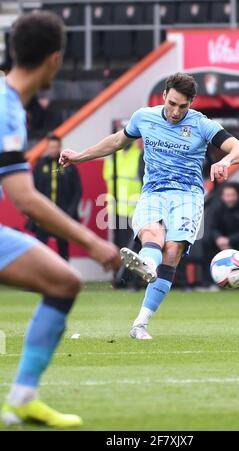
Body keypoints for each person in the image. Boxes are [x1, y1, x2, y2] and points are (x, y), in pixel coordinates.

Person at [60, 72, 239, 340]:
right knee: (152, 235)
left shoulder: (203, 125)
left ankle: (140, 323)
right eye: (171, 103)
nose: (175, 111)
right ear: (163, 96)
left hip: (187, 196)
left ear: (191, 103)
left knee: (172, 251)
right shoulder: (143, 117)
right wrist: (80, 156)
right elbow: (117, 141)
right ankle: (148, 263)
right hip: (153, 193)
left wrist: (226, 161)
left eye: (182, 106)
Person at [0, 11, 120, 428]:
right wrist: (92, 242)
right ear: (56, 59)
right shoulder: (6, 106)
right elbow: (24, 198)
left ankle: (22, 399)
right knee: (65, 279)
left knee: (63, 280)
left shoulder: (9, 102)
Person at [28, 133, 82, 260]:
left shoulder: (68, 165)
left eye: (56, 147)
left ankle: (64, 277)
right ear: (47, 148)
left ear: (60, 148)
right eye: (51, 147)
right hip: (43, 214)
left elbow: (77, 190)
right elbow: (32, 188)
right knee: (41, 247)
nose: (53, 150)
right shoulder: (40, 165)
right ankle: (41, 276)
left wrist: (71, 211)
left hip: (61, 214)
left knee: (63, 246)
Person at [103, 140, 143, 288]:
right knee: (119, 247)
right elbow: (108, 179)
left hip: (134, 209)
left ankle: (133, 281)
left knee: (133, 249)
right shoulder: (113, 156)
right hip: (116, 209)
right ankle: (119, 280)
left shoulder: (139, 154)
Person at [202, 183, 239, 289]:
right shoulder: (216, 208)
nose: (230, 198)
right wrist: (218, 238)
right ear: (222, 196)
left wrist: (230, 240)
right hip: (220, 242)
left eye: (232, 195)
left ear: (237, 195)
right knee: (206, 241)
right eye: (227, 195)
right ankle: (209, 282)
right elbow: (212, 227)